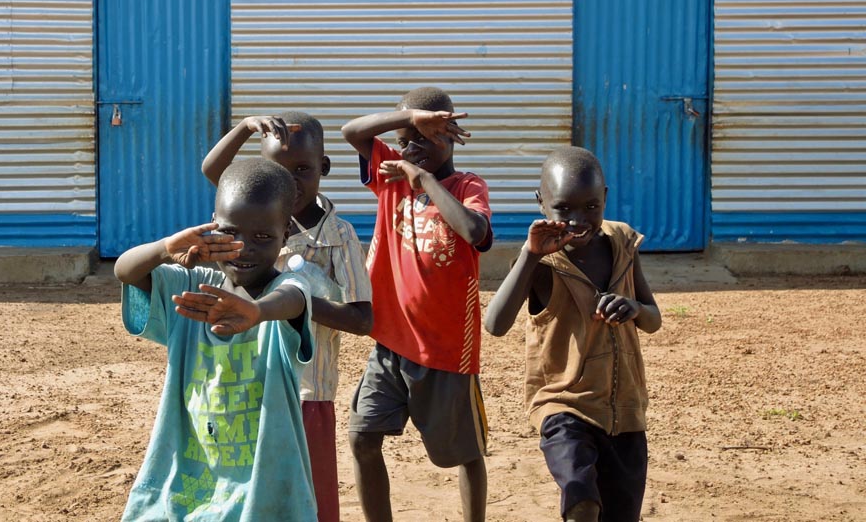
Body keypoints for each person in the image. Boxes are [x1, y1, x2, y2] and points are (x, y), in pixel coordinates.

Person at [114, 157, 317, 522]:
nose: (244, 248)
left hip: (263, 488)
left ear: (285, 233)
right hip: (187, 479)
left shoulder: (282, 291)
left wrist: (257, 312)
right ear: (212, 224)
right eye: (231, 233)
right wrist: (165, 247)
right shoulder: (190, 286)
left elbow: (295, 298)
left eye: (262, 237)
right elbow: (125, 270)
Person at [201, 111, 373, 522]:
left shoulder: (340, 236)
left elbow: (363, 320)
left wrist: (298, 302)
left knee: (308, 498)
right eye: (277, 171)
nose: (290, 183)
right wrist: (244, 128)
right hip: (249, 385)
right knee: (248, 492)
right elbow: (213, 170)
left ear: (324, 169)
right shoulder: (253, 222)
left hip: (307, 391)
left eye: (303, 170)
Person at [483, 146, 662, 522]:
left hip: (625, 411)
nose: (578, 220)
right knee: (581, 501)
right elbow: (495, 324)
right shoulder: (542, 261)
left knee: (620, 513)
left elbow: (653, 319)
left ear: (605, 199)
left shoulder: (623, 243)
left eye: (591, 207)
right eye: (564, 209)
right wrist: (530, 256)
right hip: (564, 406)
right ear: (541, 203)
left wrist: (634, 308)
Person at [341, 86, 493, 522]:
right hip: (390, 342)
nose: (412, 148)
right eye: (407, 139)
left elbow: (474, 232)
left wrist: (424, 178)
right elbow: (352, 131)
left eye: (425, 138)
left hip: (446, 351)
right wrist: (409, 117)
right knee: (362, 438)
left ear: (450, 135)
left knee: (465, 453)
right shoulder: (390, 174)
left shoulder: (468, 185)